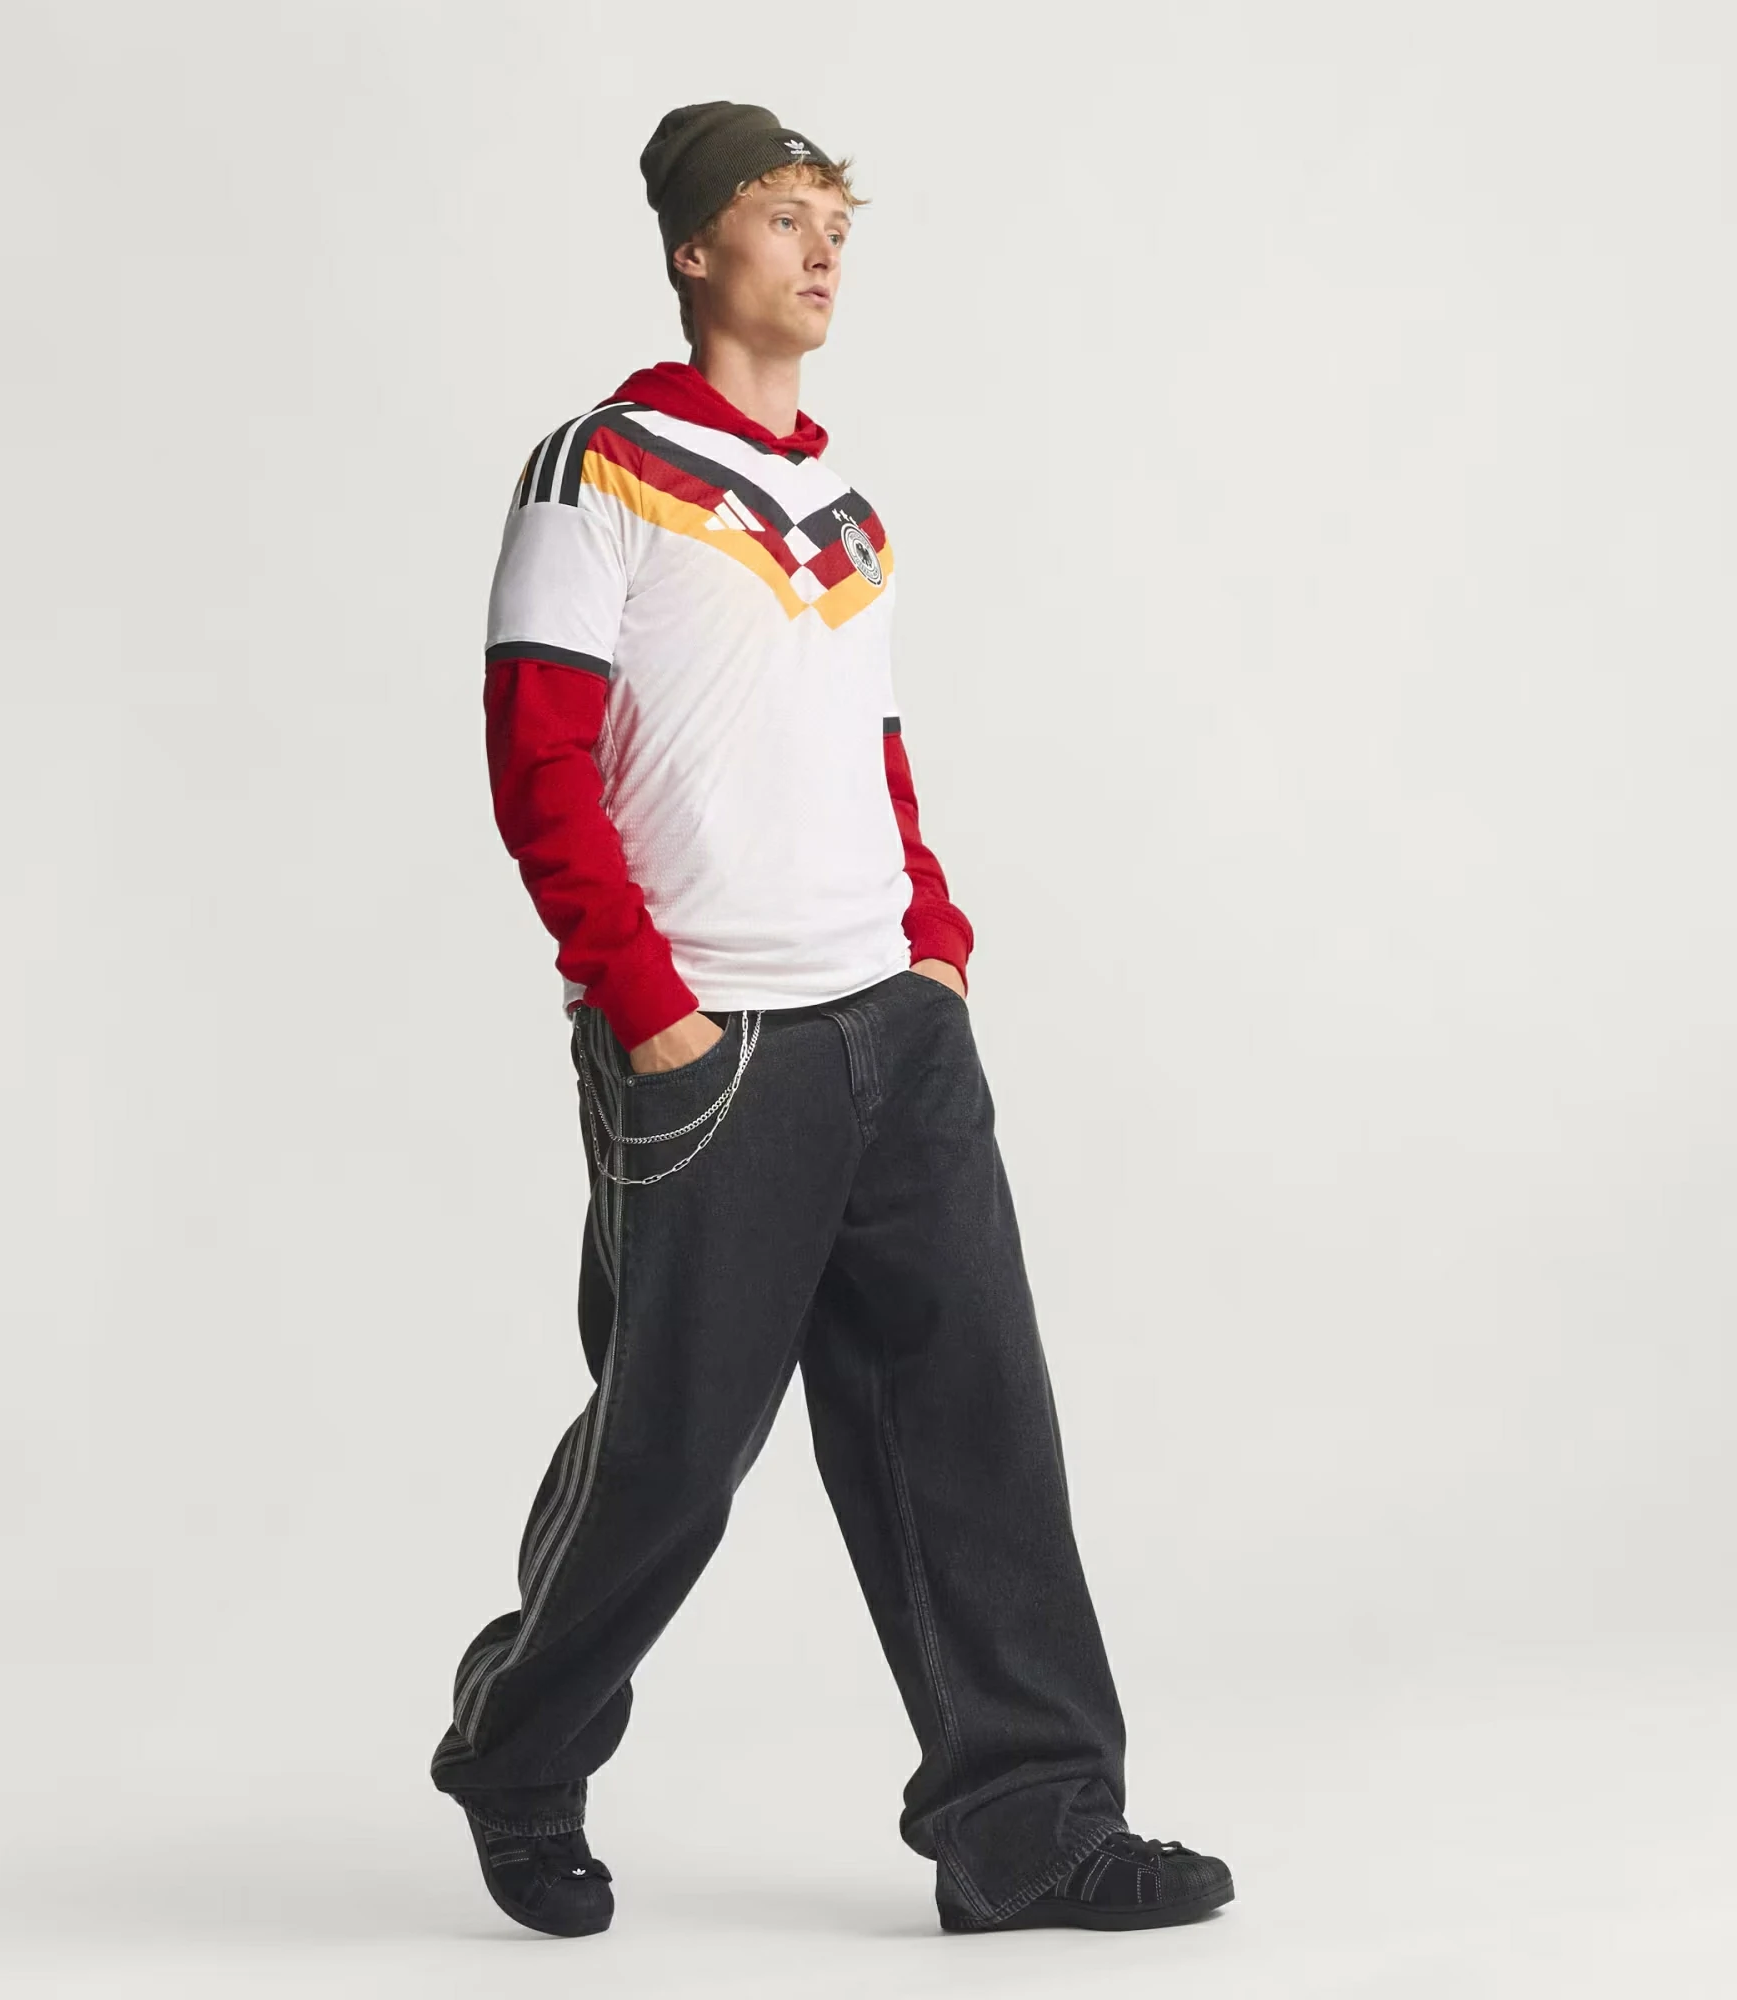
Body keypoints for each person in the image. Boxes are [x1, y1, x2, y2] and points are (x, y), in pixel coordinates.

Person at [428, 100, 1234, 1940]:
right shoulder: (598, 466)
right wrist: (649, 1010)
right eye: (783, 217)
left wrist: (933, 938)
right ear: (694, 247)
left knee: (978, 1425)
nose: (822, 250)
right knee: (671, 1455)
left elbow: (866, 747)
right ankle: (520, 1750)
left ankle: (1029, 1826)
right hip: (711, 1049)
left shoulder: (843, 507)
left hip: (898, 1026)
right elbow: (539, 760)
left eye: (835, 223)